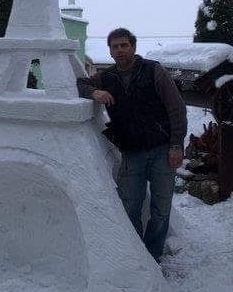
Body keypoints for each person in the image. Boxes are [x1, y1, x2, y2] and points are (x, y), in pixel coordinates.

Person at [77, 28, 187, 263]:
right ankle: (137, 257)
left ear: (133, 47)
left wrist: (176, 145)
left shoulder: (153, 70)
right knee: (130, 206)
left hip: (161, 149)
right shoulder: (107, 77)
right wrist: (95, 91)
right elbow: (79, 84)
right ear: (110, 51)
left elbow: (177, 109)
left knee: (161, 208)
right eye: (115, 46)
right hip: (131, 152)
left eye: (124, 45)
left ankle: (153, 254)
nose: (120, 50)